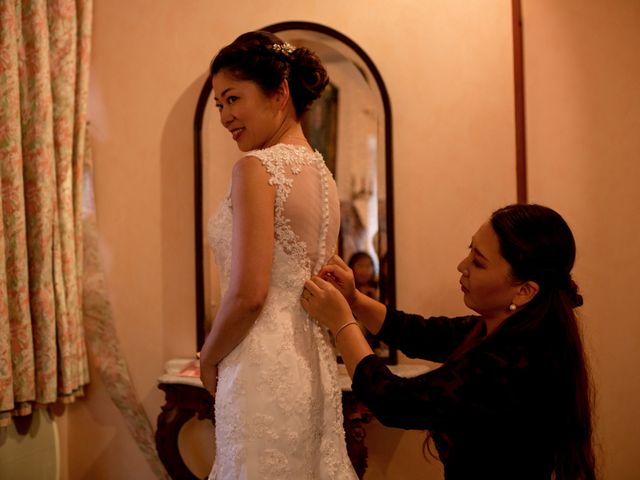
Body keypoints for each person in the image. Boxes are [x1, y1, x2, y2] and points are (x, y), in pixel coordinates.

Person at [301, 204, 597, 480]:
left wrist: (341, 323)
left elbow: (394, 402)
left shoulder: (514, 363)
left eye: (478, 263)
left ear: (524, 291)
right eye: (470, 251)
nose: (461, 265)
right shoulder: (501, 330)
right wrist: (353, 300)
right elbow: (417, 332)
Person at [199, 31, 357, 479]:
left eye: (233, 98)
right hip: (311, 364)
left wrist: (209, 357)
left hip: (259, 365)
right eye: (218, 105)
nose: (226, 116)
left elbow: (249, 294)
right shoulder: (323, 176)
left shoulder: (255, 169)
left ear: (280, 92)